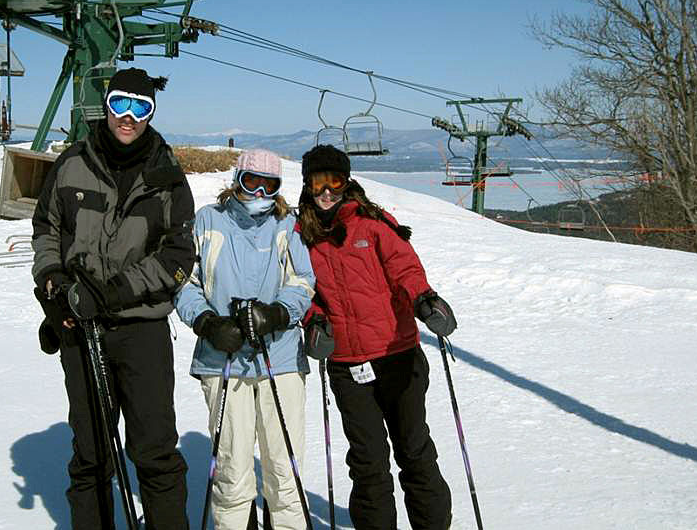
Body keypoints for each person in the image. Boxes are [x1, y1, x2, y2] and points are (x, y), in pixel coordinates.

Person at [31, 67, 195, 530]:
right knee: (92, 453)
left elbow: (180, 254)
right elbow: (47, 229)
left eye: (141, 107)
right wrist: (55, 284)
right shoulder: (72, 163)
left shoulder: (166, 175)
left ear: (151, 112)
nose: (129, 117)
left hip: (141, 330)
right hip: (81, 327)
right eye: (120, 103)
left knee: (155, 449)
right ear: (105, 106)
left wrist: (116, 291)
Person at [296, 144, 457, 530]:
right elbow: (297, 288)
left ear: (346, 181)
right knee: (368, 462)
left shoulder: (372, 224)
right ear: (308, 184)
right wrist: (314, 320)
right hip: (348, 364)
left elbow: (405, 268)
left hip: (397, 354)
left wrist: (424, 299)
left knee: (414, 451)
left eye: (335, 181)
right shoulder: (300, 234)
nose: (327, 191)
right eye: (319, 182)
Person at [175, 149, 316, 530]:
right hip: (224, 357)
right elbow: (184, 283)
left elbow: (303, 280)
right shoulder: (208, 221)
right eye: (249, 181)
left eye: (267, 184)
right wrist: (208, 322)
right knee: (233, 470)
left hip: (279, 356)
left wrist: (277, 313)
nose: (258, 193)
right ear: (235, 180)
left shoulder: (288, 224)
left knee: (284, 468)